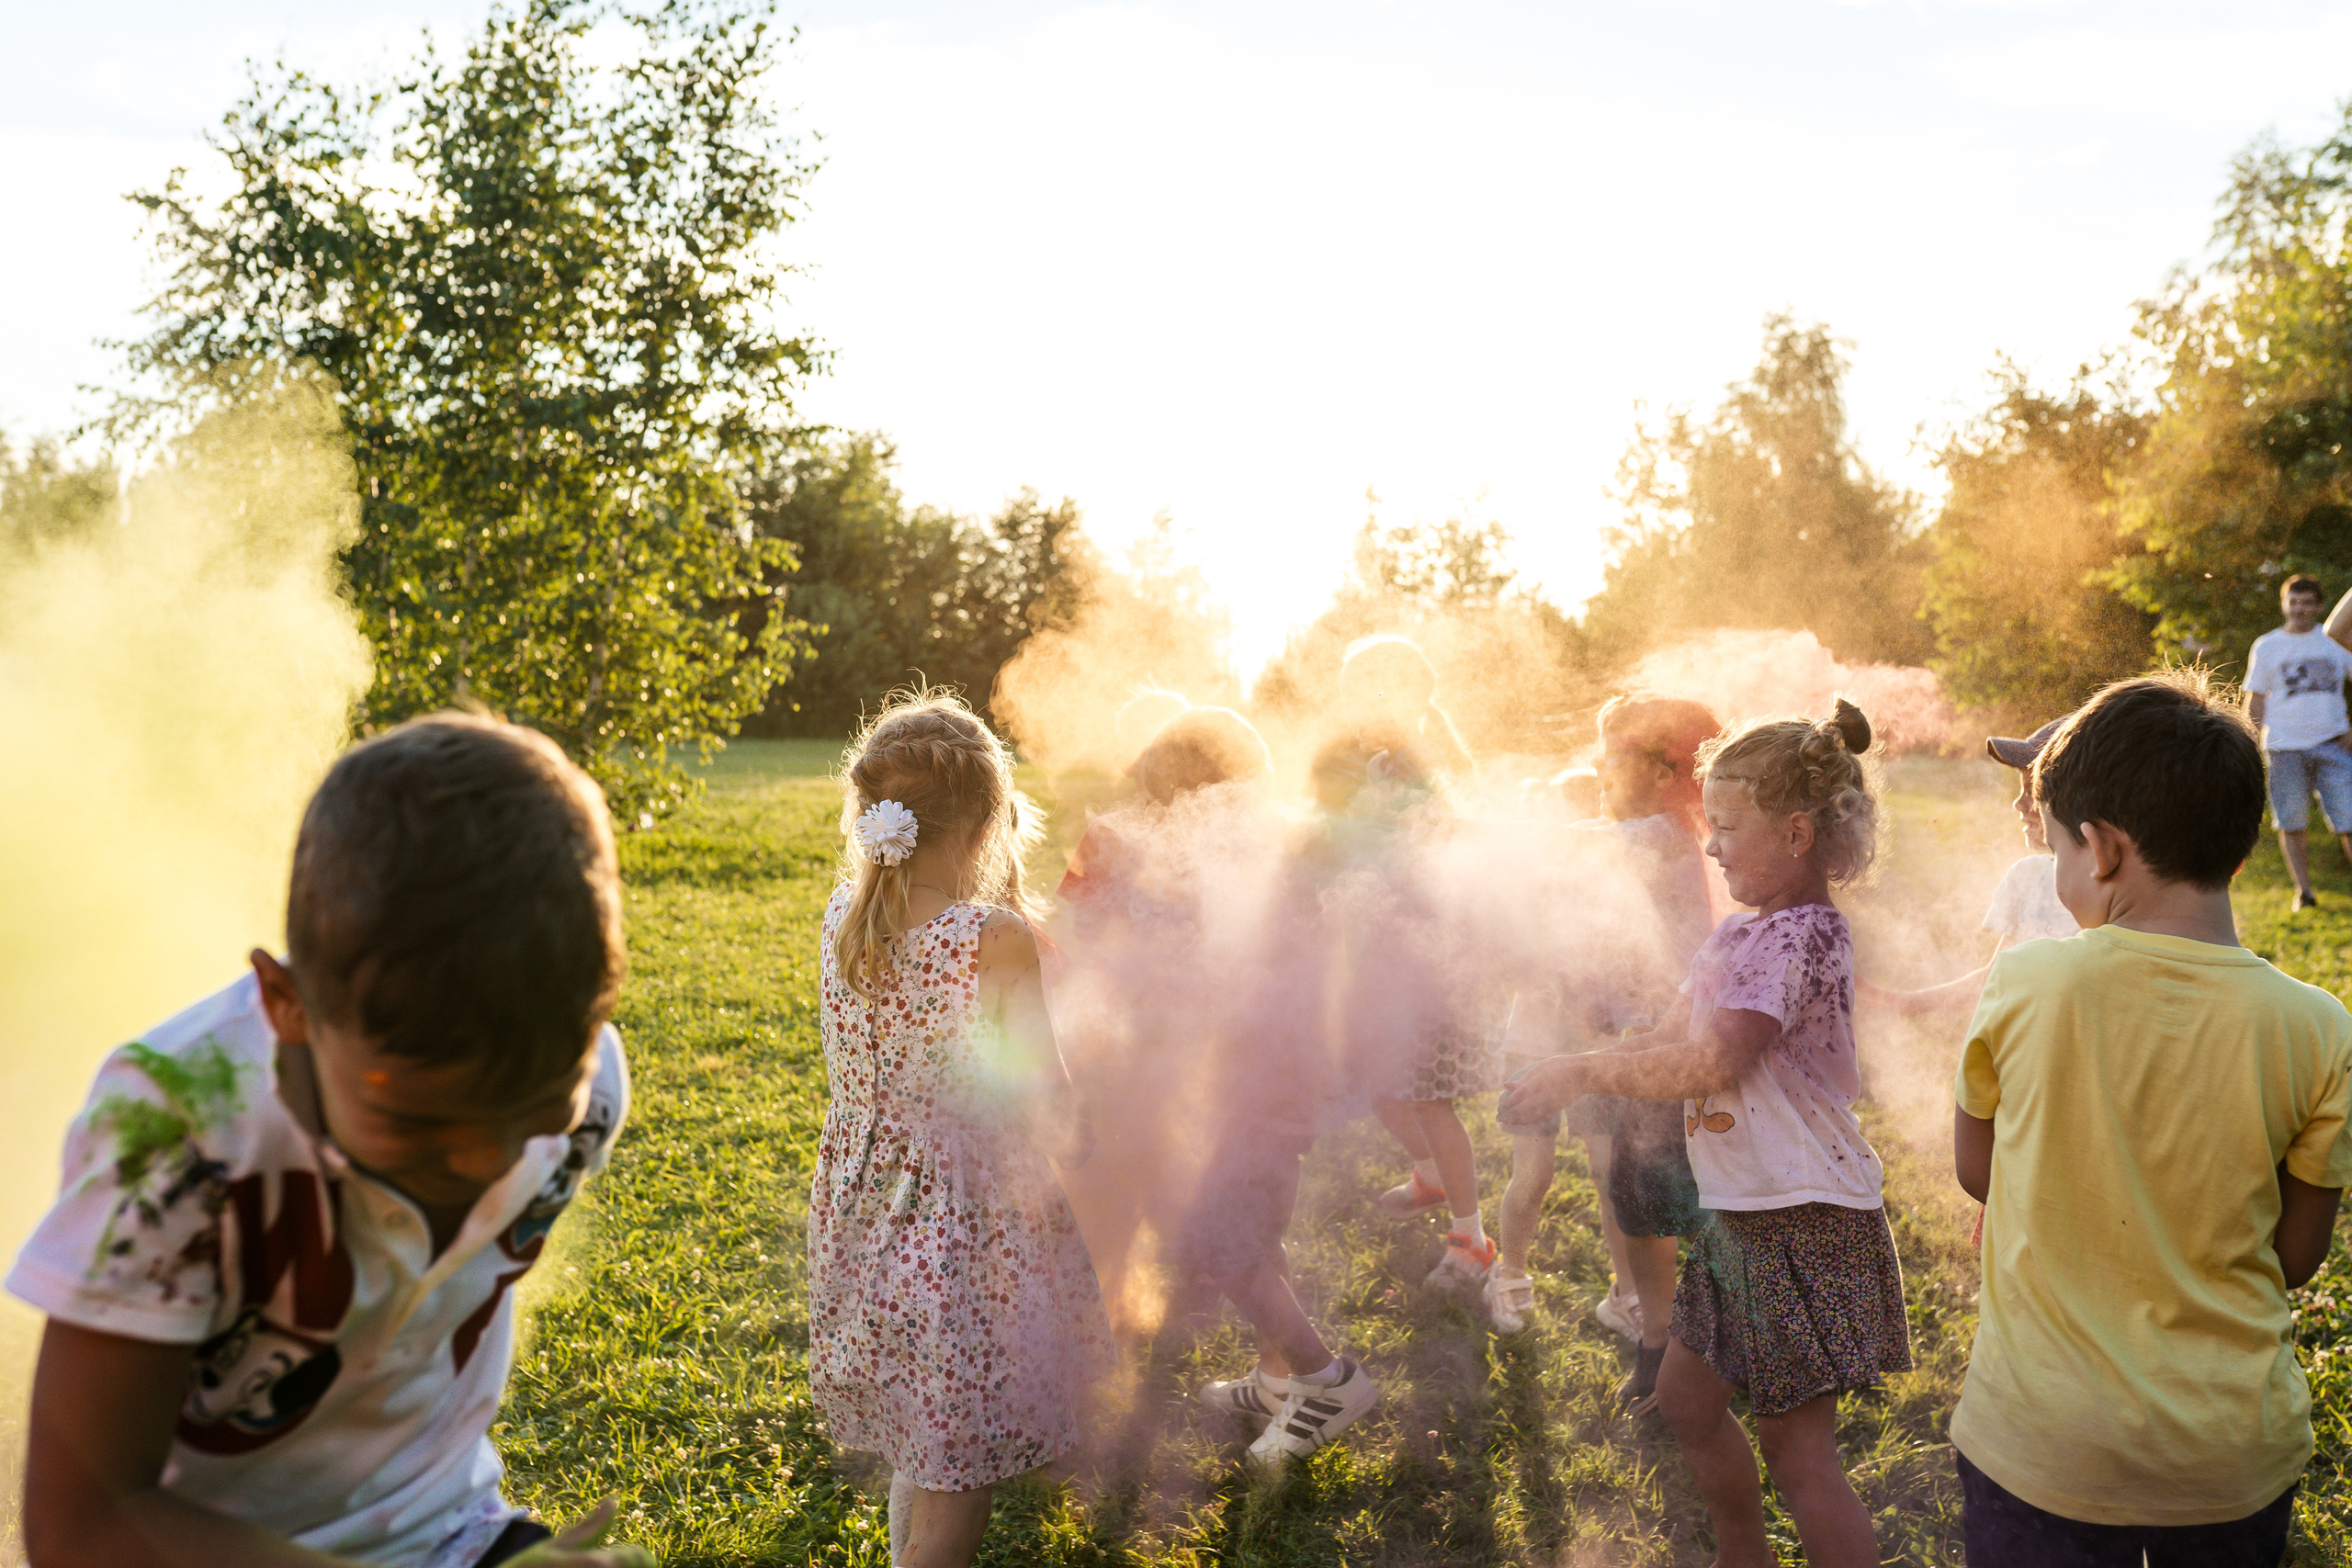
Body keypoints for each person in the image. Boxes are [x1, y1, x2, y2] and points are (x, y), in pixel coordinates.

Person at [11, 714, 646, 1568]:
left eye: (536, 1107)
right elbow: (81, 1526)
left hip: (449, 1532)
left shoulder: (592, 1091)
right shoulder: (176, 1139)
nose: (488, 1164)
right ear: (288, 1005)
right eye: (416, 1122)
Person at [1950, 671, 2351, 1566]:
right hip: (2228, 1452)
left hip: (2040, 1440)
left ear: (2098, 849)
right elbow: (2296, 1257)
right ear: (2238, 853)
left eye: (2057, 845)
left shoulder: (2024, 982)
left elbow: (1978, 1172)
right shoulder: (2320, 1026)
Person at [1499, 699, 1909, 1568]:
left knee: (1798, 1452)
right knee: (1687, 1402)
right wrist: (1568, 1062)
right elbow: (1666, 1040)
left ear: (1796, 834)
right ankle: (1742, 1554)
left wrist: (1584, 1072)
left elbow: (1712, 1062)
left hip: (1801, 1216)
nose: (1711, 846)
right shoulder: (1738, 936)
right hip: (1743, 1212)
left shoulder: (1803, 937)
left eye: (1726, 826)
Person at [809, 690, 1112, 1568]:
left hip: (859, 1220)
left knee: (926, 1443)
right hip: (960, 1242)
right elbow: (1056, 1116)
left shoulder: (843, 916)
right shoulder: (992, 939)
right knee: (956, 1489)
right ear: (986, 822)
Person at [1080, 707, 1379, 1467]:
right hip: (1252, 1081)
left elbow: (1220, 978)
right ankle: (1278, 1380)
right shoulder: (1246, 852)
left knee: (1221, 1237)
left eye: (1159, 796)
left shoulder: (1252, 868)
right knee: (1248, 1228)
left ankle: (1326, 1379)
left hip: (1262, 1082)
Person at [1488, 695, 1717, 1386]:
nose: (1597, 765)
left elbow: (1576, 847)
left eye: (1613, 753)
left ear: (1664, 772)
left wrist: (1446, 824)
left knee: (1657, 1191)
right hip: (1639, 1043)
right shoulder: (1650, 831)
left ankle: (1670, 1343)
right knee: (1639, 1187)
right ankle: (1658, 1333)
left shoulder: (1662, 834)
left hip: (1658, 1046)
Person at [1310, 635, 1496, 1286]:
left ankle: (1472, 1240)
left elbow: (1436, 847)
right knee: (1381, 1082)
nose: (1353, 708)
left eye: (1363, 693)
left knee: (1429, 1097)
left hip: (1429, 956)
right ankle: (1431, 1174)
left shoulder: (1423, 762)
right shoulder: (1378, 761)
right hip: (1383, 950)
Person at [1860, 716, 2078, 1019]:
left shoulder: (2111, 893)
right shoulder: (2028, 878)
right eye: (2021, 790)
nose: (2018, 803)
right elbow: (1995, 979)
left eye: (2033, 790)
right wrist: (1908, 1004)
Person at [2247, 573, 2352, 909]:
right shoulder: (2267, 645)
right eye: (2293, 602)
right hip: (2283, 746)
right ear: (2283, 605)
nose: (2299, 609)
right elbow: (2255, 699)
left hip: (2334, 743)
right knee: (2292, 823)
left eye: (2307, 603)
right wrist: (2249, 743)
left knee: (2350, 821)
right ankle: (2304, 893)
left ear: (2320, 606)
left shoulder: (2335, 639)